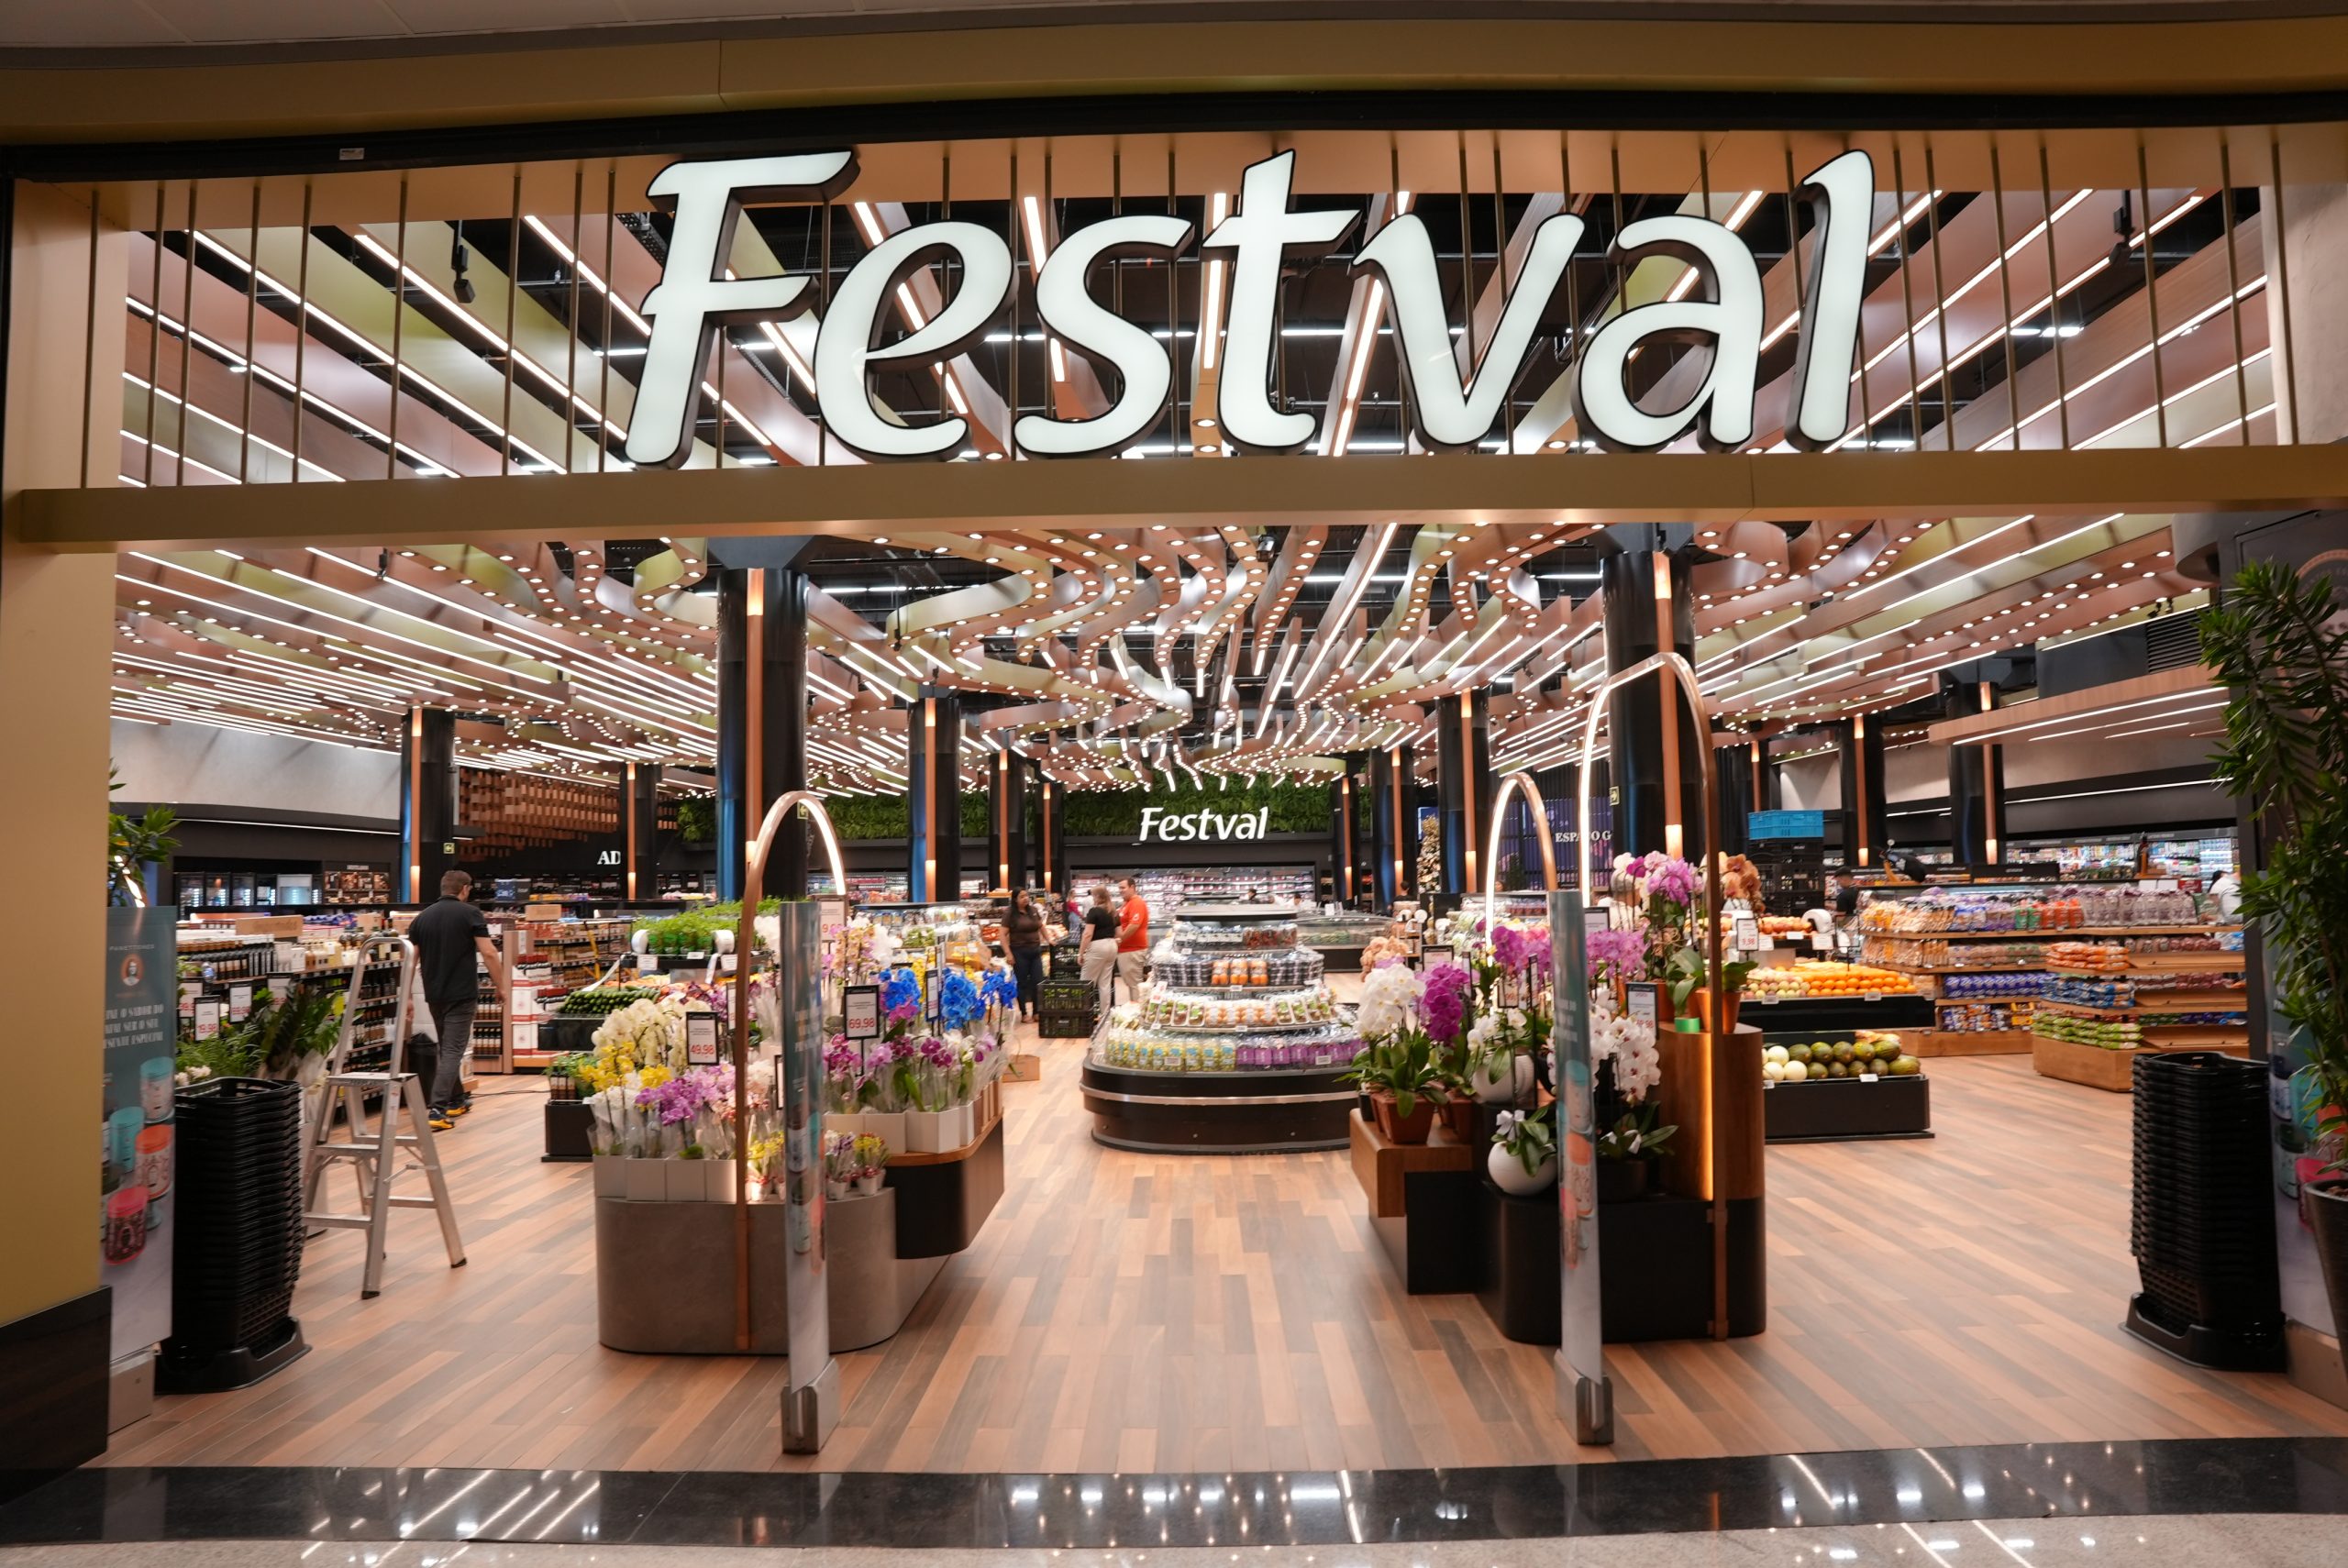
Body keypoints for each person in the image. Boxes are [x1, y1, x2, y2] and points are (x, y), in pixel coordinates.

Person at [406, 868, 508, 1132]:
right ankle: (438, 1109)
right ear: (464, 889)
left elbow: (410, 961)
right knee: (453, 1050)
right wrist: (501, 986)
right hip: (461, 994)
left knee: (446, 1047)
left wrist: (407, 996)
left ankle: (456, 1099)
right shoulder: (470, 914)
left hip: (434, 994)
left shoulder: (422, 919)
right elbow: (489, 953)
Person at [1007, 888, 1046, 1022]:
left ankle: (1036, 1012)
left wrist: (1049, 939)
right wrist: (1008, 954)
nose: (1025, 898)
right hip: (1019, 952)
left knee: (1038, 981)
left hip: (1035, 951)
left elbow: (1041, 926)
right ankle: (1024, 1013)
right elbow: (1002, 935)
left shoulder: (1033, 911)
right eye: (1022, 896)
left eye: (1026, 896)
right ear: (1015, 899)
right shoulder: (1010, 914)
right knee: (1022, 983)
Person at [1080, 887, 1121, 1015]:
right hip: (1112, 946)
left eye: (1093, 896)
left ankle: (1084, 1015)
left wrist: (1081, 953)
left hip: (1097, 947)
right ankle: (1105, 1016)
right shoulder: (1114, 912)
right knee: (1105, 984)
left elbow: (1087, 934)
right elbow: (1120, 934)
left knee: (1086, 983)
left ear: (1097, 897)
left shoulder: (1094, 911)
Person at [1115, 875, 1151, 999]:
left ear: (1132, 887)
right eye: (1119, 888)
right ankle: (1134, 1005)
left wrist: (1120, 939)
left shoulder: (1137, 903)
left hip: (1133, 950)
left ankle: (1137, 1008)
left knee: (1135, 984)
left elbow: (1134, 925)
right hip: (1126, 950)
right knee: (1131, 983)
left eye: (1123, 888)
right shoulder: (1127, 903)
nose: (1120, 890)